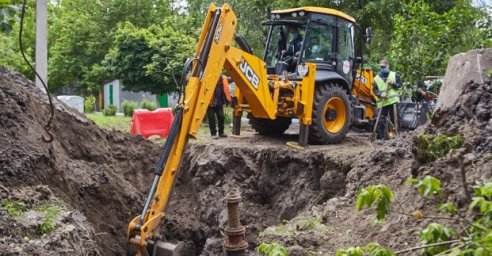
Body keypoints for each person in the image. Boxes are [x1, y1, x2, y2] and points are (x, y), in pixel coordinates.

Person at [372, 59, 402, 143]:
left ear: (388, 66)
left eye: (384, 67)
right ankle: (381, 138)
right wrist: (380, 94)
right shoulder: (376, 78)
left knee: (395, 120)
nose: (383, 68)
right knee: (381, 120)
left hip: (393, 101)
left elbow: (400, 85)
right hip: (383, 103)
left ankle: (396, 137)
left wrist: (393, 83)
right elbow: (374, 90)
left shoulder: (394, 75)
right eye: (381, 67)